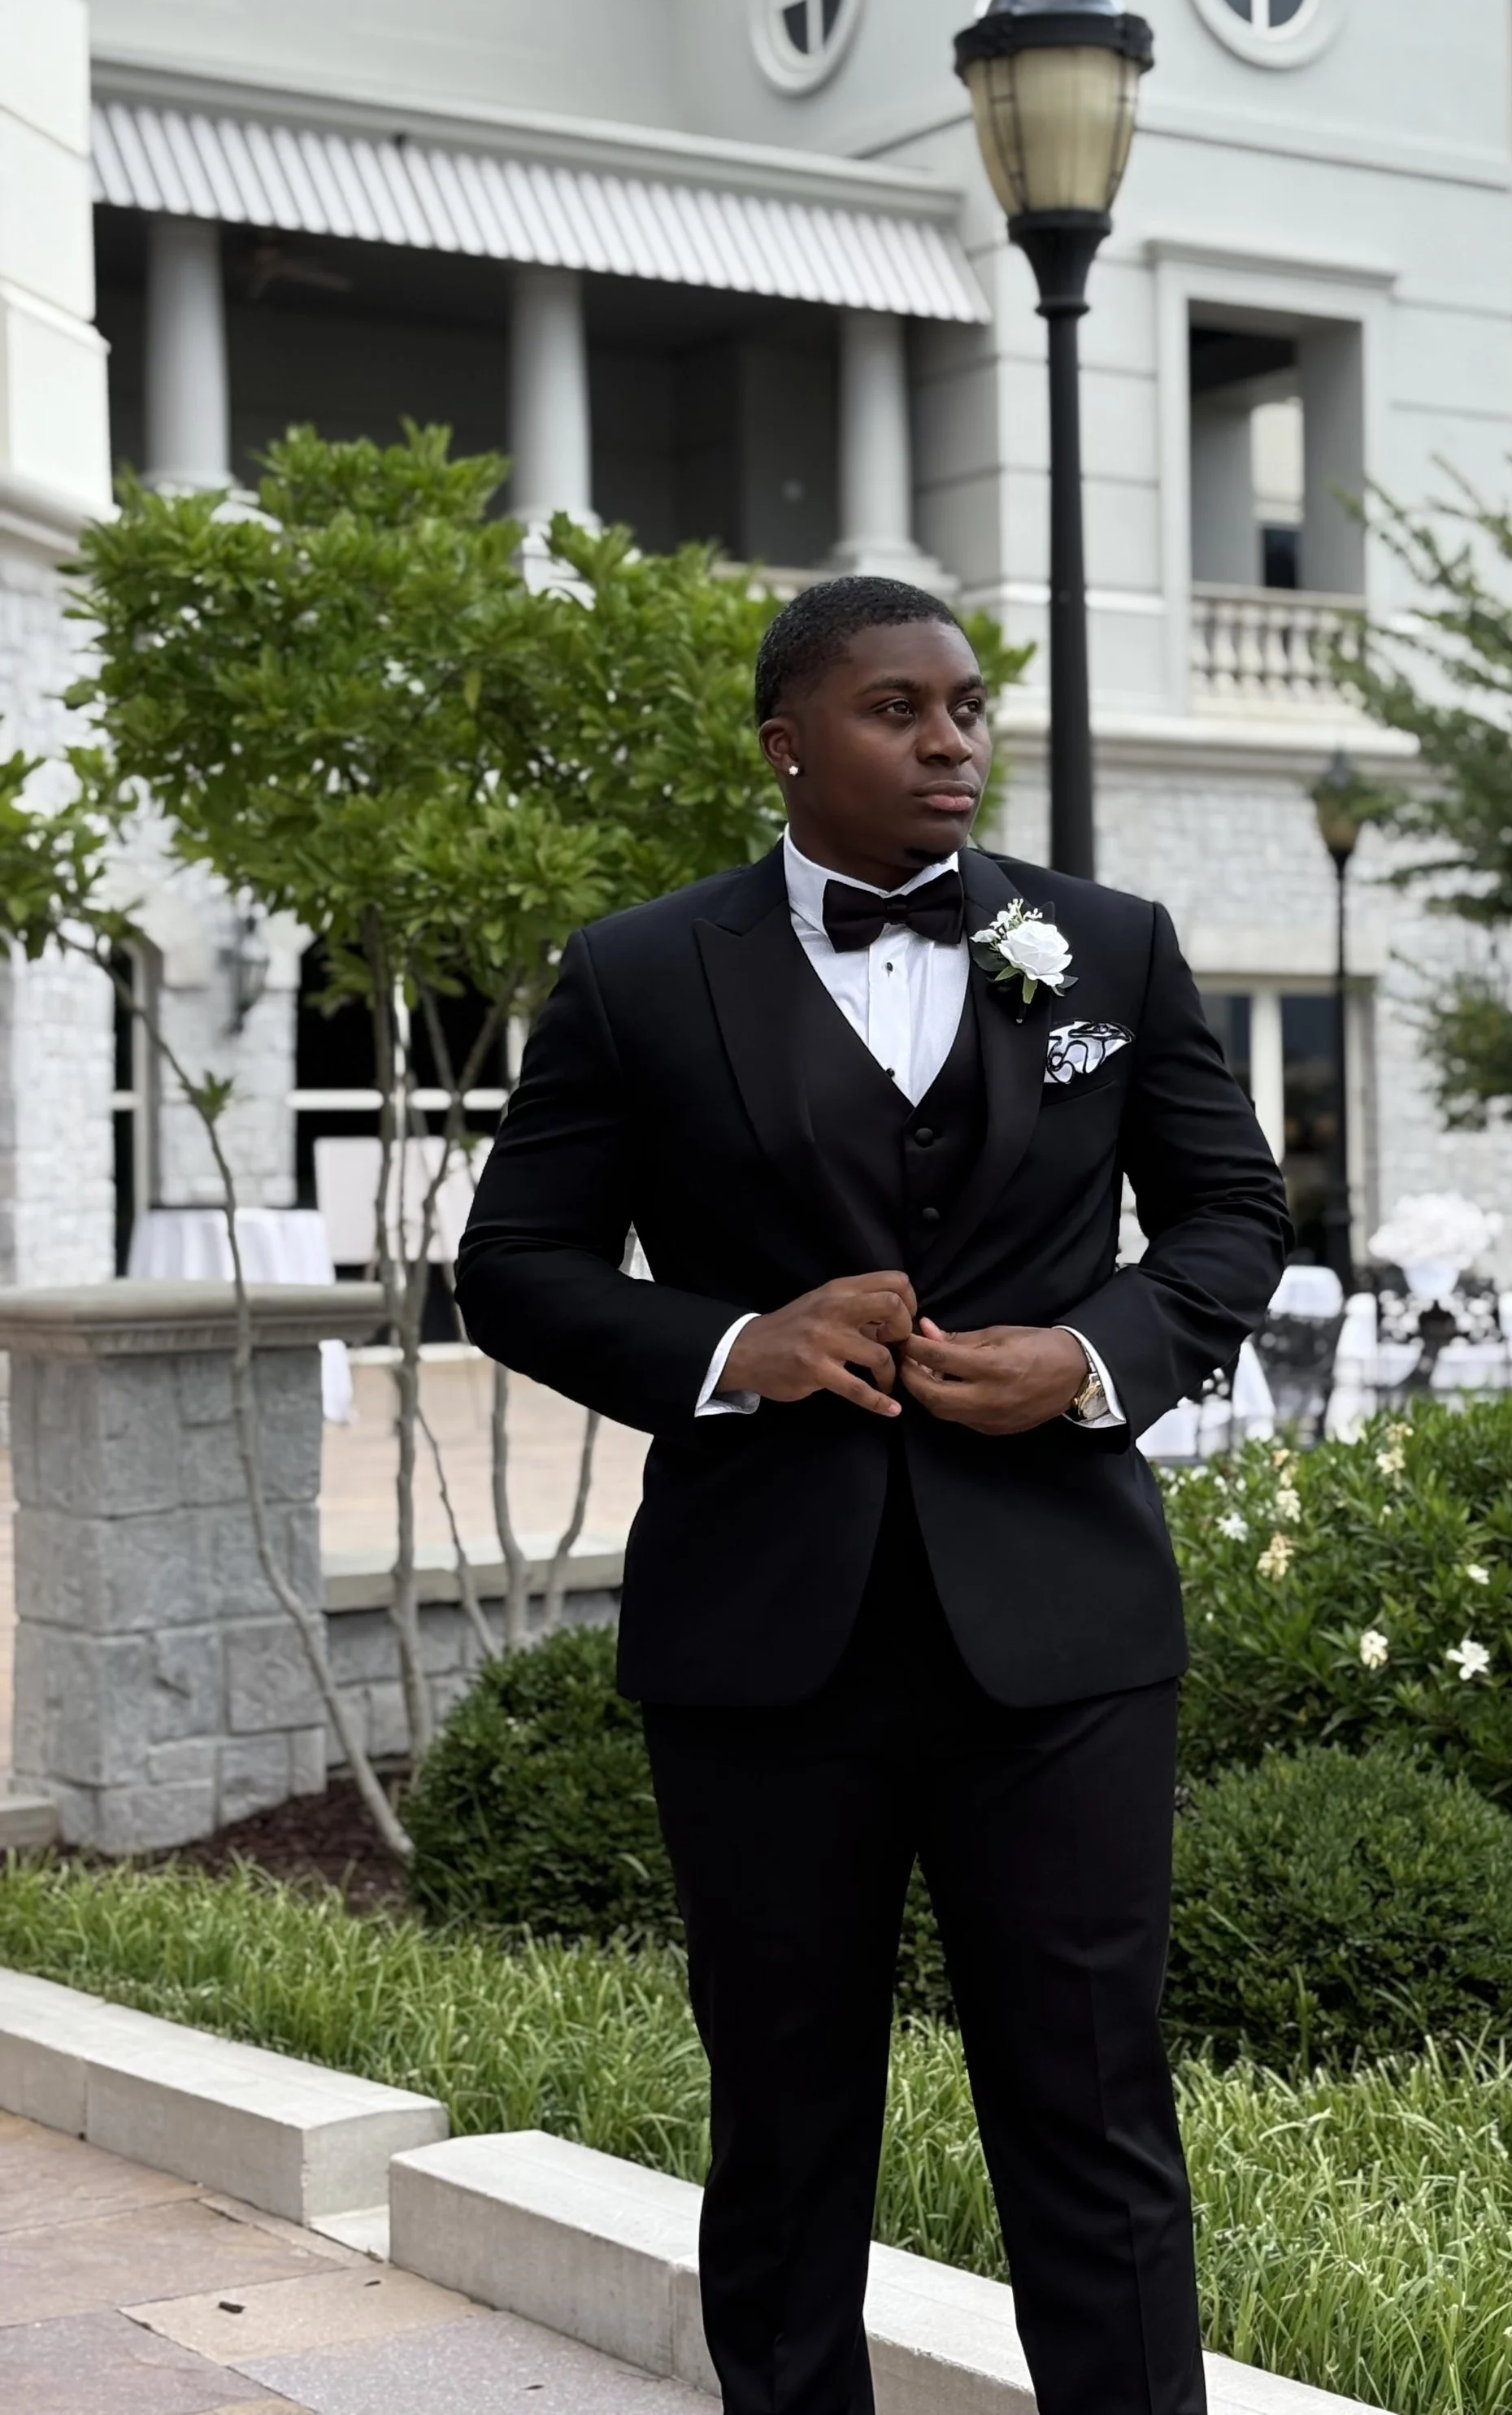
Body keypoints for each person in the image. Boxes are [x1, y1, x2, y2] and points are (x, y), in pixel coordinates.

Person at [457, 572, 1291, 2415]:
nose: (949, 743)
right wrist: (734, 1340)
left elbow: (1234, 1217)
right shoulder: (639, 973)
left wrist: (1084, 1359)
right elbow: (510, 1264)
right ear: (784, 742)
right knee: (782, 2122)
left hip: (1059, 1638)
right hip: (763, 1642)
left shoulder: (1113, 946)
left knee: (1093, 2122)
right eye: (896, 711)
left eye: (967, 708)